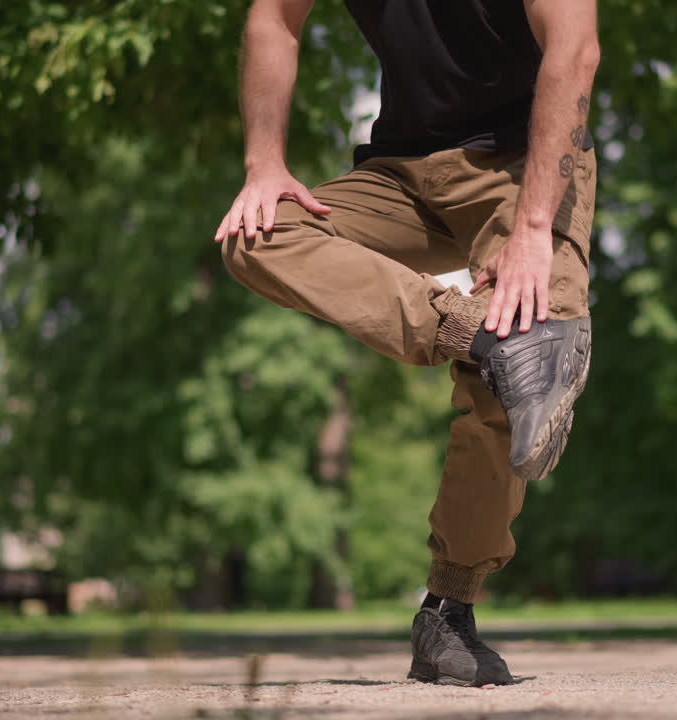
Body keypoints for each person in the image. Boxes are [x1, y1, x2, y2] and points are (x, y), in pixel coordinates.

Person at [216, 0, 599, 687]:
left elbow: (575, 51)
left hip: (523, 165)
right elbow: (272, 17)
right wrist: (263, 164)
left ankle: (448, 614)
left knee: (523, 375)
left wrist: (533, 231)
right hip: (400, 173)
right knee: (257, 235)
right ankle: (480, 336)